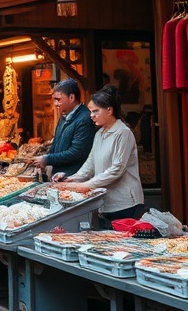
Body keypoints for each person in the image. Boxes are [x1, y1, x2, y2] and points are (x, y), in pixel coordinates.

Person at [58, 85, 144, 228]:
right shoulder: (99, 134)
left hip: (125, 204)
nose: (91, 115)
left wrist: (87, 185)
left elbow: (117, 169)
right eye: (91, 111)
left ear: (109, 110)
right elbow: (90, 163)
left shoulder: (123, 133)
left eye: (95, 111)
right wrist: (71, 179)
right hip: (105, 203)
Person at [30, 79, 97, 179]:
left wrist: (47, 159)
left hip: (73, 177)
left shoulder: (85, 119)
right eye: (54, 100)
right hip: (58, 176)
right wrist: (45, 161)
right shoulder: (64, 115)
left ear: (71, 97)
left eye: (58, 99)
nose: (56, 104)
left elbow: (76, 152)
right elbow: (56, 143)